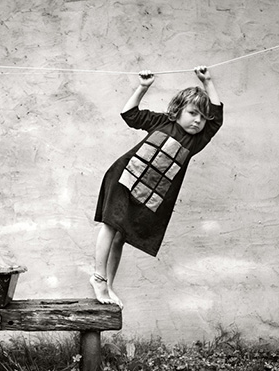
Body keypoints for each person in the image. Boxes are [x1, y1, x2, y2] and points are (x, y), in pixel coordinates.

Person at [90, 66, 223, 309]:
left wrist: (208, 82)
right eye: (193, 113)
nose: (198, 120)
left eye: (203, 117)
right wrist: (143, 87)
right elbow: (129, 114)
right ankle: (98, 278)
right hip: (124, 178)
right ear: (177, 111)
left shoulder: (196, 141)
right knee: (110, 225)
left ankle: (108, 285)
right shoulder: (162, 121)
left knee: (121, 237)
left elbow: (218, 117)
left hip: (147, 194)